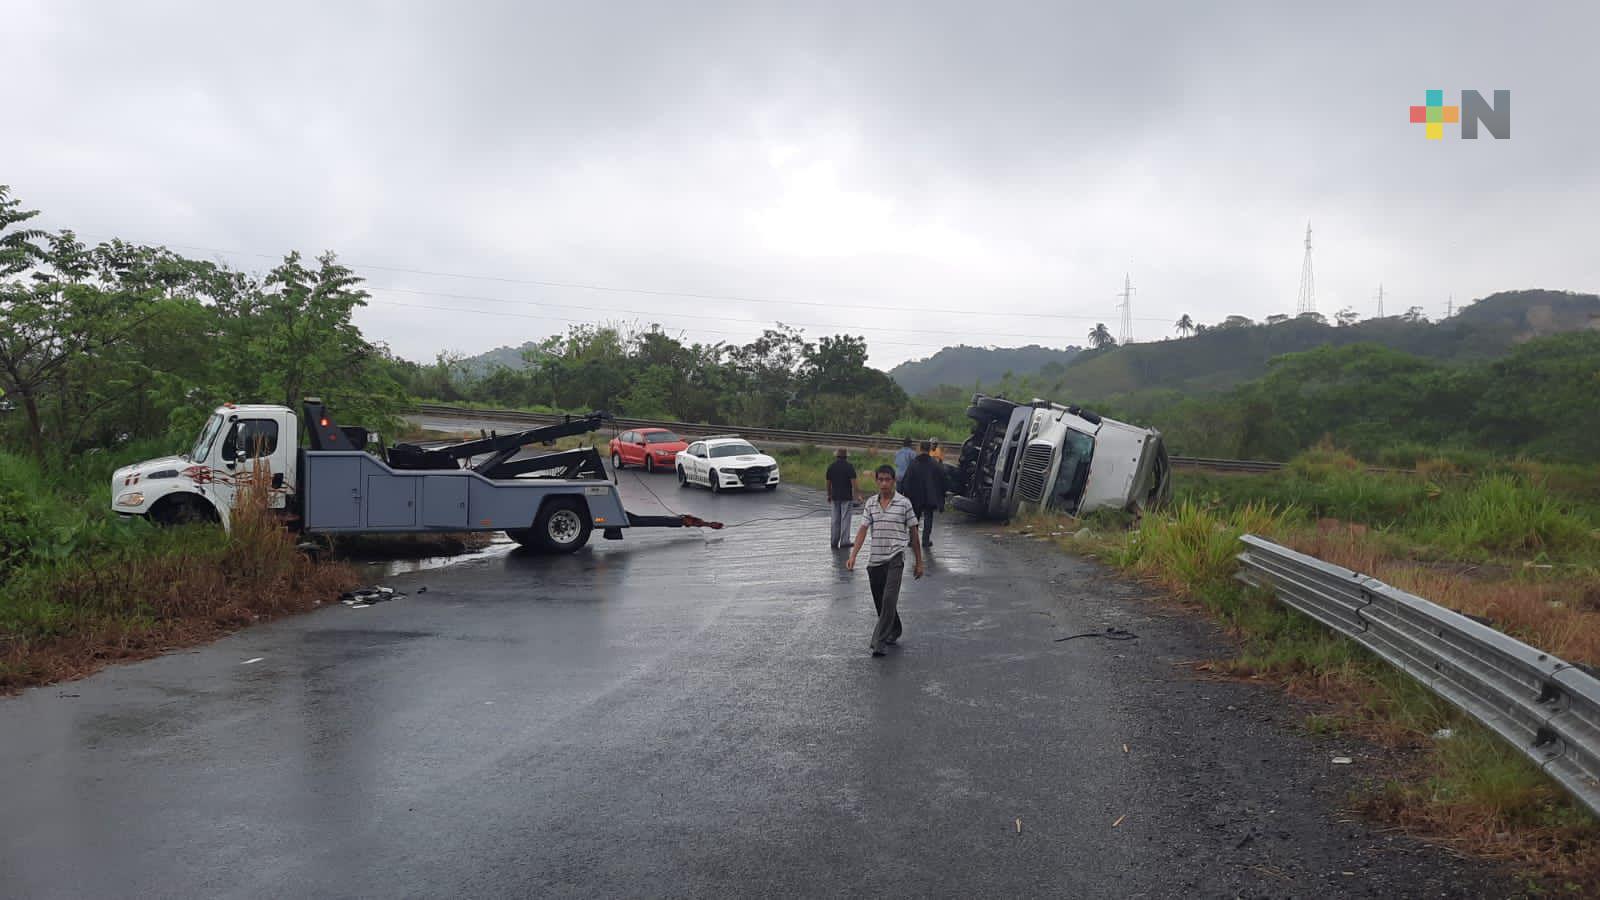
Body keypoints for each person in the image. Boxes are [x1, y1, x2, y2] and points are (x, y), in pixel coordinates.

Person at [846, 465, 924, 656]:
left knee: (889, 599)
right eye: (880, 480)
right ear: (876, 481)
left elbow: (914, 533)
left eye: (887, 480)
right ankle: (895, 628)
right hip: (875, 561)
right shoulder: (871, 503)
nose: (884, 483)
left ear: (894, 481)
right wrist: (853, 555)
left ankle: (878, 642)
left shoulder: (904, 503)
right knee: (882, 603)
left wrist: (919, 562)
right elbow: (863, 529)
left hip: (895, 558)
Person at [900, 441, 945, 548]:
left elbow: (906, 480)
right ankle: (925, 540)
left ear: (920, 449)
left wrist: (905, 493)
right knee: (928, 517)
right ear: (930, 449)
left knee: (914, 518)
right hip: (930, 495)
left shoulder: (914, 463)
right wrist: (941, 495)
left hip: (915, 496)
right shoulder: (935, 464)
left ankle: (913, 540)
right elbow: (942, 479)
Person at [825, 447, 859, 549]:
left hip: (835, 497)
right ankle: (844, 541)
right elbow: (854, 484)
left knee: (835, 519)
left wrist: (829, 495)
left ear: (837, 456)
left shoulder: (831, 467)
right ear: (846, 457)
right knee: (845, 519)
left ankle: (834, 541)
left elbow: (828, 483)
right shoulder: (849, 467)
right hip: (846, 497)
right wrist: (856, 496)